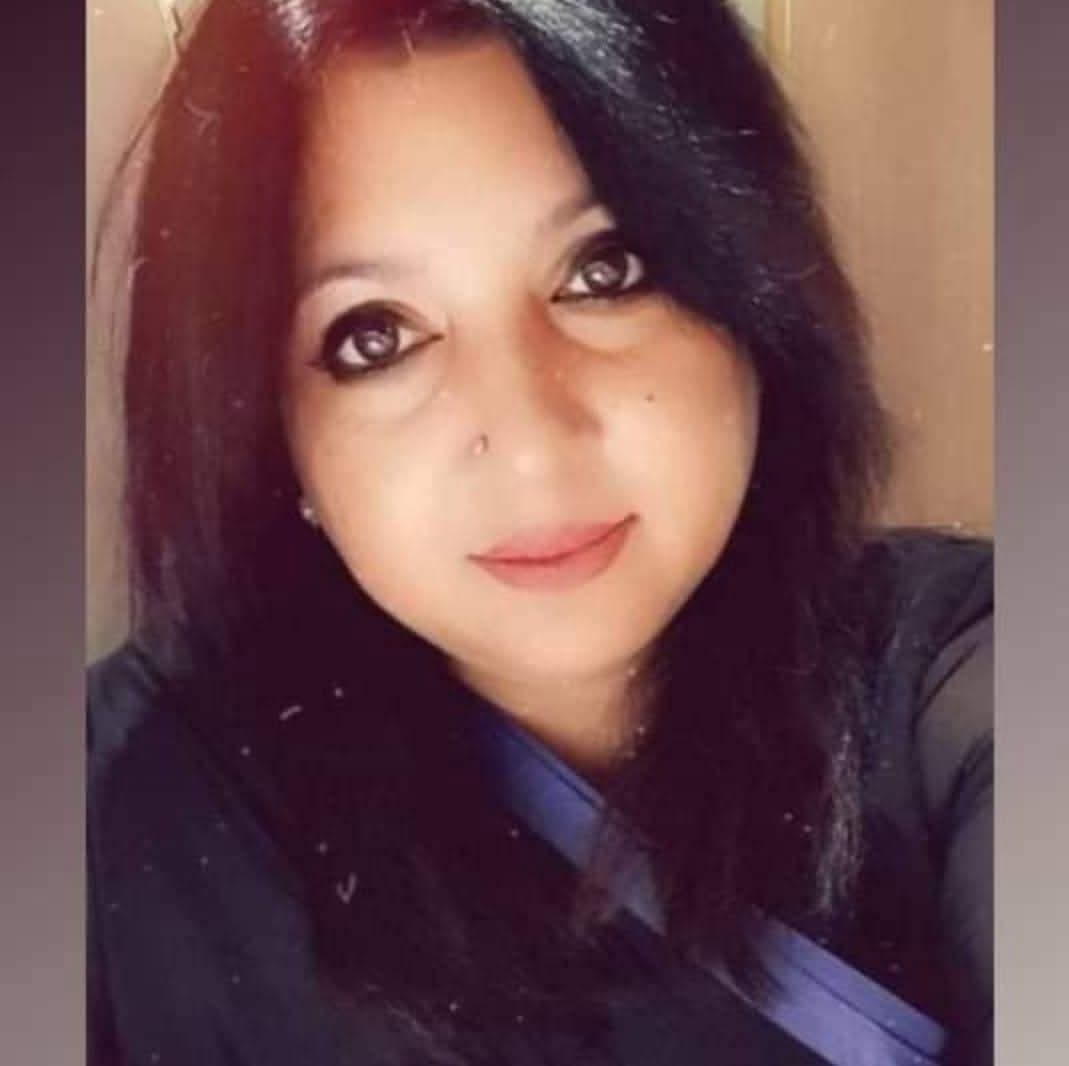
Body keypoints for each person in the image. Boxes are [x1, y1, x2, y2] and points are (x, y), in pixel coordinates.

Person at [88, 1, 992, 1063]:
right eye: (374, 336)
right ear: (272, 438)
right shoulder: (137, 805)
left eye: (605, 269)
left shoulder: (956, 684)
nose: (528, 448)